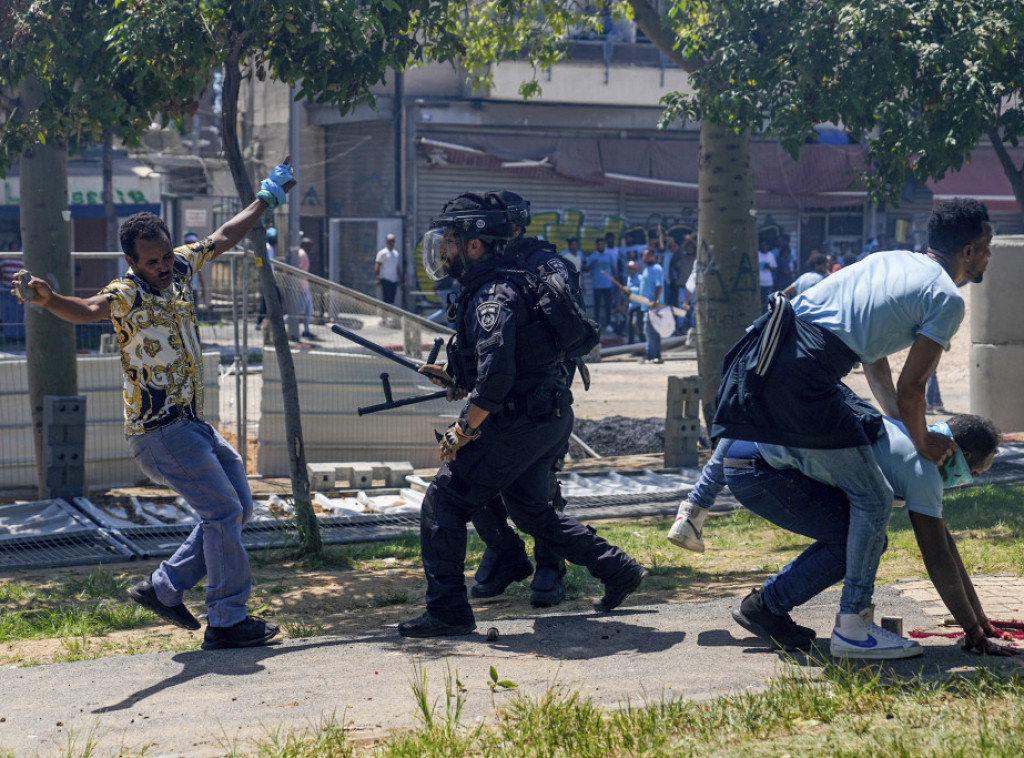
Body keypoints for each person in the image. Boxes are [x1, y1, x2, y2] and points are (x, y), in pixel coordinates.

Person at [11, 162, 296, 651]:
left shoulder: (182, 265)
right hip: (158, 431)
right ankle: (227, 621)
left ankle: (163, 588)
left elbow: (226, 234)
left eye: (164, 257)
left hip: (193, 425)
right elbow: (86, 310)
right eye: (151, 262)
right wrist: (48, 298)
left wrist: (266, 198)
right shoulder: (125, 294)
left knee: (239, 507)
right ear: (130, 261)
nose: (163, 267)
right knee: (223, 510)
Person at [711, 197, 993, 658]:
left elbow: (873, 357)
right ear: (967, 251)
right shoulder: (945, 296)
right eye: (986, 246)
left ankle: (789, 609)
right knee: (875, 498)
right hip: (803, 376)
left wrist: (902, 426)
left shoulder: (891, 261)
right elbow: (912, 388)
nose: (988, 255)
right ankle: (853, 627)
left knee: (862, 520)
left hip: (769, 355)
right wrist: (922, 440)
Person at [400, 190, 645, 637]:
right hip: (544, 418)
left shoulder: (492, 294)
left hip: (519, 421)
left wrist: (460, 431)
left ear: (474, 245)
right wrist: (457, 378)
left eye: (449, 241)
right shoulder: (506, 281)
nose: (442, 251)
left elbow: (496, 382)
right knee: (533, 512)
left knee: (446, 501)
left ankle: (449, 611)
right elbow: (509, 364)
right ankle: (618, 569)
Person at [725, 413, 1016, 659]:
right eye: (975, 473)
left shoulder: (918, 436)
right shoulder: (924, 467)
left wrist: (978, 619)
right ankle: (766, 608)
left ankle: (765, 608)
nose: (970, 480)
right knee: (859, 541)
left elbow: (945, 544)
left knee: (862, 537)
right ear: (963, 457)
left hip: (751, 457)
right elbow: (938, 558)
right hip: (758, 468)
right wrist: (974, 633)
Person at [638, 247, 663, 364]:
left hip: (654, 306)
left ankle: (655, 355)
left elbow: (659, 286)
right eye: (644, 255)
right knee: (648, 331)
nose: (645, 257)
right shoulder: (646, 269)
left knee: (653, 331)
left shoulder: (656, 268)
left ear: (653, 256)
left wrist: (656, 301)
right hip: (646, 306)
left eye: (647, 255)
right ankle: (650, 355)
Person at [585, 236, 615, 331]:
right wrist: (592, 263)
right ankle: (597, 324)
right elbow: (586, 270)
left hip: (608, 285)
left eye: (603, 244)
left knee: (608, 305)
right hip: (597, 285)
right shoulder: (592, 256)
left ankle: (608, 324)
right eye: (599, 244)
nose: (601, 246)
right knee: (597, 306)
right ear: (596, 246)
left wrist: (615, 280)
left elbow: (613, 268)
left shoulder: (608, 255)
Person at [375, 233, 402, 308]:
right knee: (385, 300)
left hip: (394, 280)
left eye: (392, 241)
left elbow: (397, 266)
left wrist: (400, 278)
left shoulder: (396, 253)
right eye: (389, 241)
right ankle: (384, 317)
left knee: (391, 300)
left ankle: (388, 316)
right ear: (386, 242)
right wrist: (378, 278)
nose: (391, 243)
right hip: (385, 279)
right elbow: (377, 265)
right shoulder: (382, 253)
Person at [296, 236, 315, 340]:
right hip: (301, 286)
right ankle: (281, 321)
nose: (311, 248)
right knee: (299, 310)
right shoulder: (301, 254)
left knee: (309, 308)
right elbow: (298, 269)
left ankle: (306, 330)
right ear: (303, 245)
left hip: (305, 285)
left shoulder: (304, 254)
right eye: (309, 245)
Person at [625, 260, 644, 344]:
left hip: (639, 305)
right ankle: (630, 343)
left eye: (631, 268)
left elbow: (641, 290)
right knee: (629, 325)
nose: (629, 270)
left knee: (636, 324)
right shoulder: (628, 278)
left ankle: (643, 341)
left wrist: (631, 290)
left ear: (635, 269)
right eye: (628, 268)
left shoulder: (640, 278)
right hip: (631, 305)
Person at [757, 237, 777, 312]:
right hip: (759, 282)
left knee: (768, 300)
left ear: (767, 246)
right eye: (762, 245)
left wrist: (769, 267)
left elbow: (775, 267)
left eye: (765, 245)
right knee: (760, 301)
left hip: (768, 281)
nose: (764, 247)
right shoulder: (757, 255)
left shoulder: (770, 255)